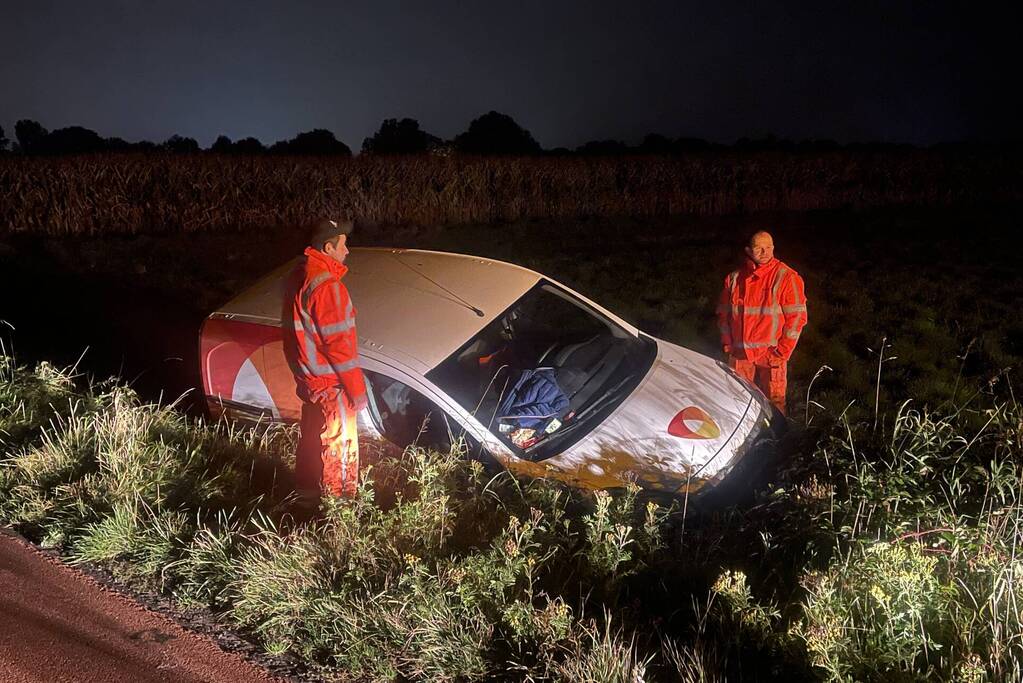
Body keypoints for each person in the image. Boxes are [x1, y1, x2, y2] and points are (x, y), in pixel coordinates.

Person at [282, 218, 368, 500]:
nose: (348, 251)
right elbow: (339, 347)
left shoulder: (299, 277)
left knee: (310, 446)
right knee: (340, 452)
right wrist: (357, 391)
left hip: (310, 384)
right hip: (333, 387)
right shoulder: (328, 287)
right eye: (344, 245)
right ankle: (340, 514)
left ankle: (304, 504)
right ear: (329, 247)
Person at [717, 230, 807, 414]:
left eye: (768, 248)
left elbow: (797, 318)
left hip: (771, 353)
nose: (764, 253)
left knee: (775, 403)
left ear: (773, 248)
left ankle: (778, 440)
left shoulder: (786, 277)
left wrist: (782, 351)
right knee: (738, 401)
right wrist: (728, 344)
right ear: (748, 251)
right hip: (740, 352)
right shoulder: (734, 279)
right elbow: (723, 315)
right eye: (759, 248)